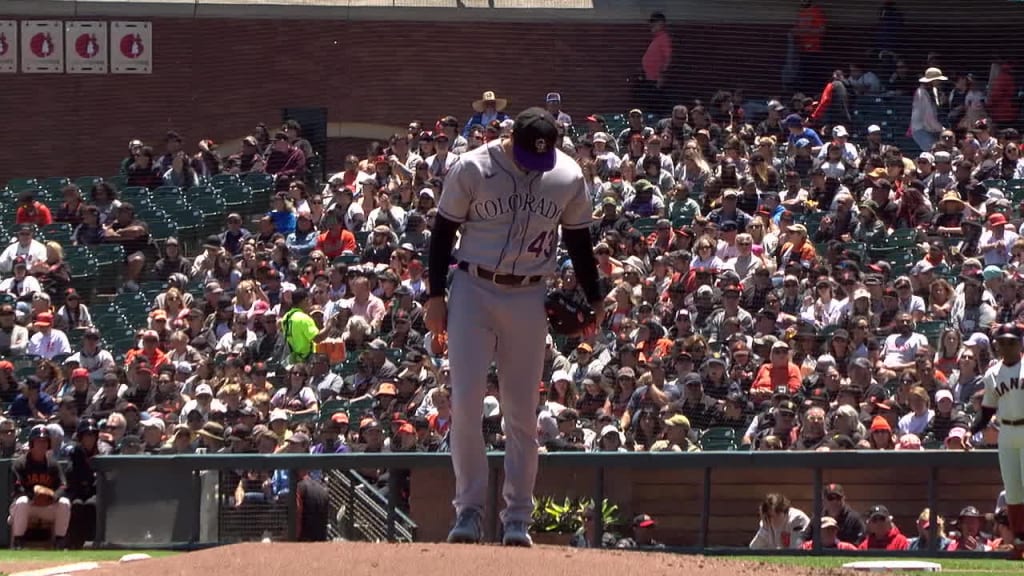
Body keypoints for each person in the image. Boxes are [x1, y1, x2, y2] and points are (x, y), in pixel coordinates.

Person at [428, 108, 603, 547]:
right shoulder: (473, 166)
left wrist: (596, 299)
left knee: (522, 413)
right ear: (511, 139)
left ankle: (517, 520)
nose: (534, 163)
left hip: (529, 294)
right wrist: (435, 295)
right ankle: (468, 510)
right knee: (466, 403)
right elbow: (442, 233)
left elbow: (580, 244)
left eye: (542, 155)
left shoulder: (566, 174)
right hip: (473, 287)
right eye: (527, 153)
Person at [972, 322, 1024, 559]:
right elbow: (987, 411)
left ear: (1020, 343)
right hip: (1007, 432)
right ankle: (1019, 543)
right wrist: (968, 431)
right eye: (1002, 342)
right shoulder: (993, 374)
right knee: (1012, 492)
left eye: (1012, 341)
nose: (1007, 346)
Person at [9, 425, 71, 549]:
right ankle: (18, 541)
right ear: (31, 444)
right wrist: (34, 496)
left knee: (64, 503)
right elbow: (17, 487)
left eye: (44, 441)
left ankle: (59, 541)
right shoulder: (20, 464)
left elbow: (63, 485)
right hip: (28, 506)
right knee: (22, 502)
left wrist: (53, 496)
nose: (41, 444)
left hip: (47, 506)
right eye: (38, 441)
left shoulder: (53, 464)